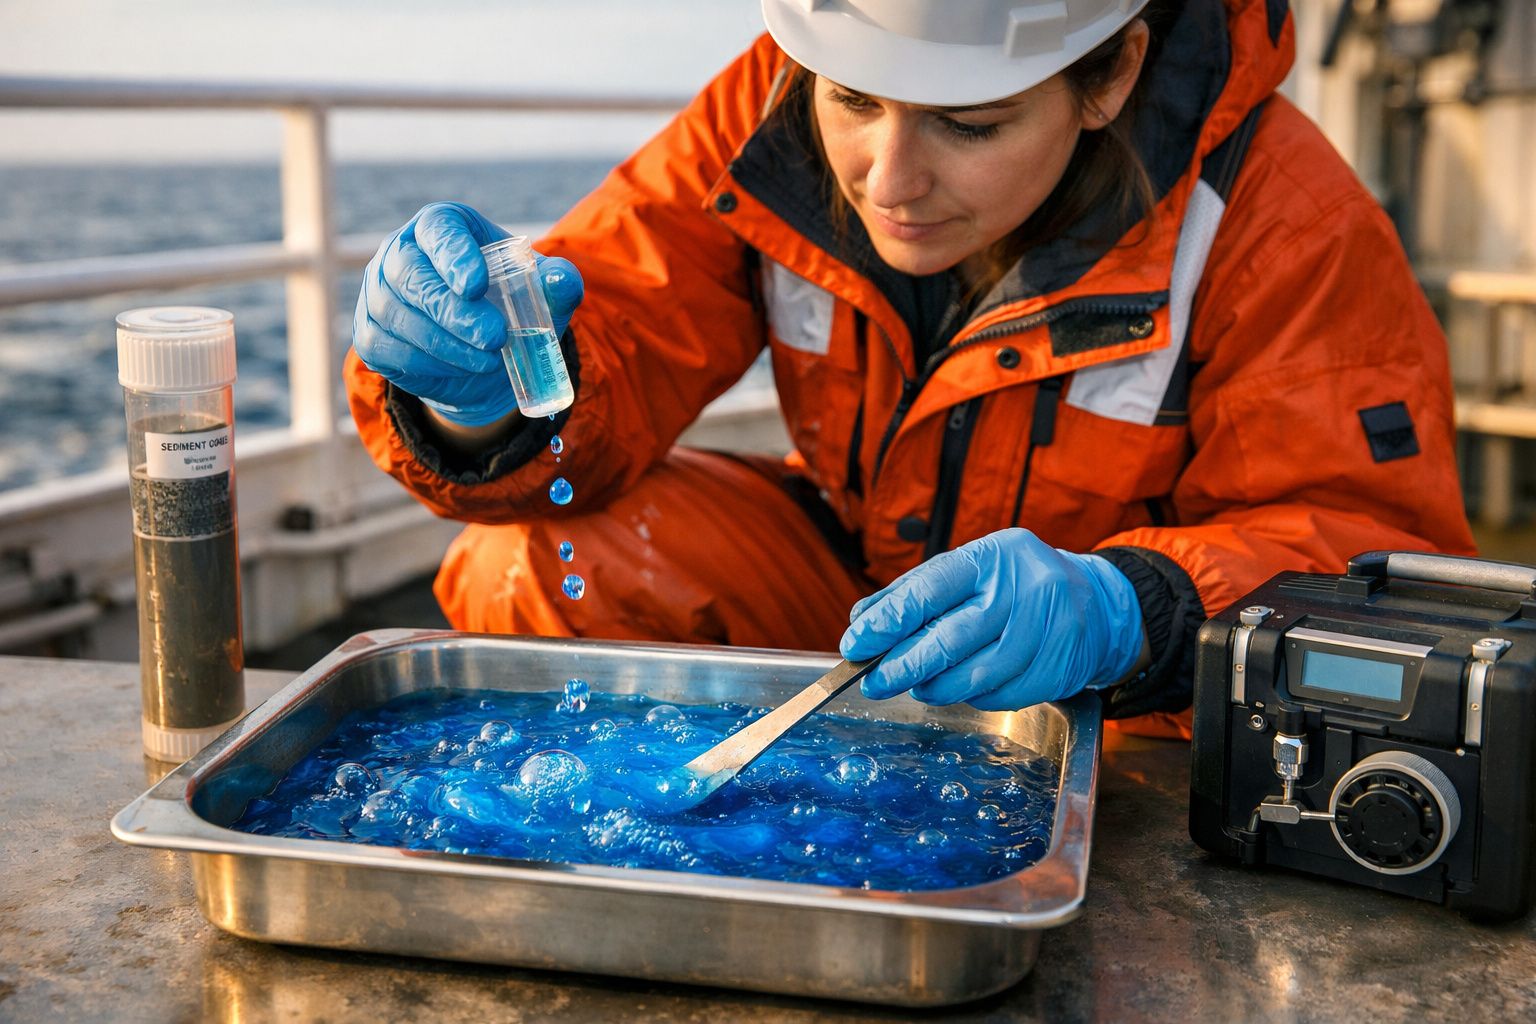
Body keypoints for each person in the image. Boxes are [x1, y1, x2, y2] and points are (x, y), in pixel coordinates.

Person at [346, 0, 1476, 738]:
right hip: (858, 610)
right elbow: (615, 326)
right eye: (854, 99)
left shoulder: (1287, 221)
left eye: (968, 123)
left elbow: (1382, 569)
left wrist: (1141, 612)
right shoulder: (771, 107)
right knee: (530, 560)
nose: (887, 178)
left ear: (1114, 73)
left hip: (1129, 712)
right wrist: (473, 402)